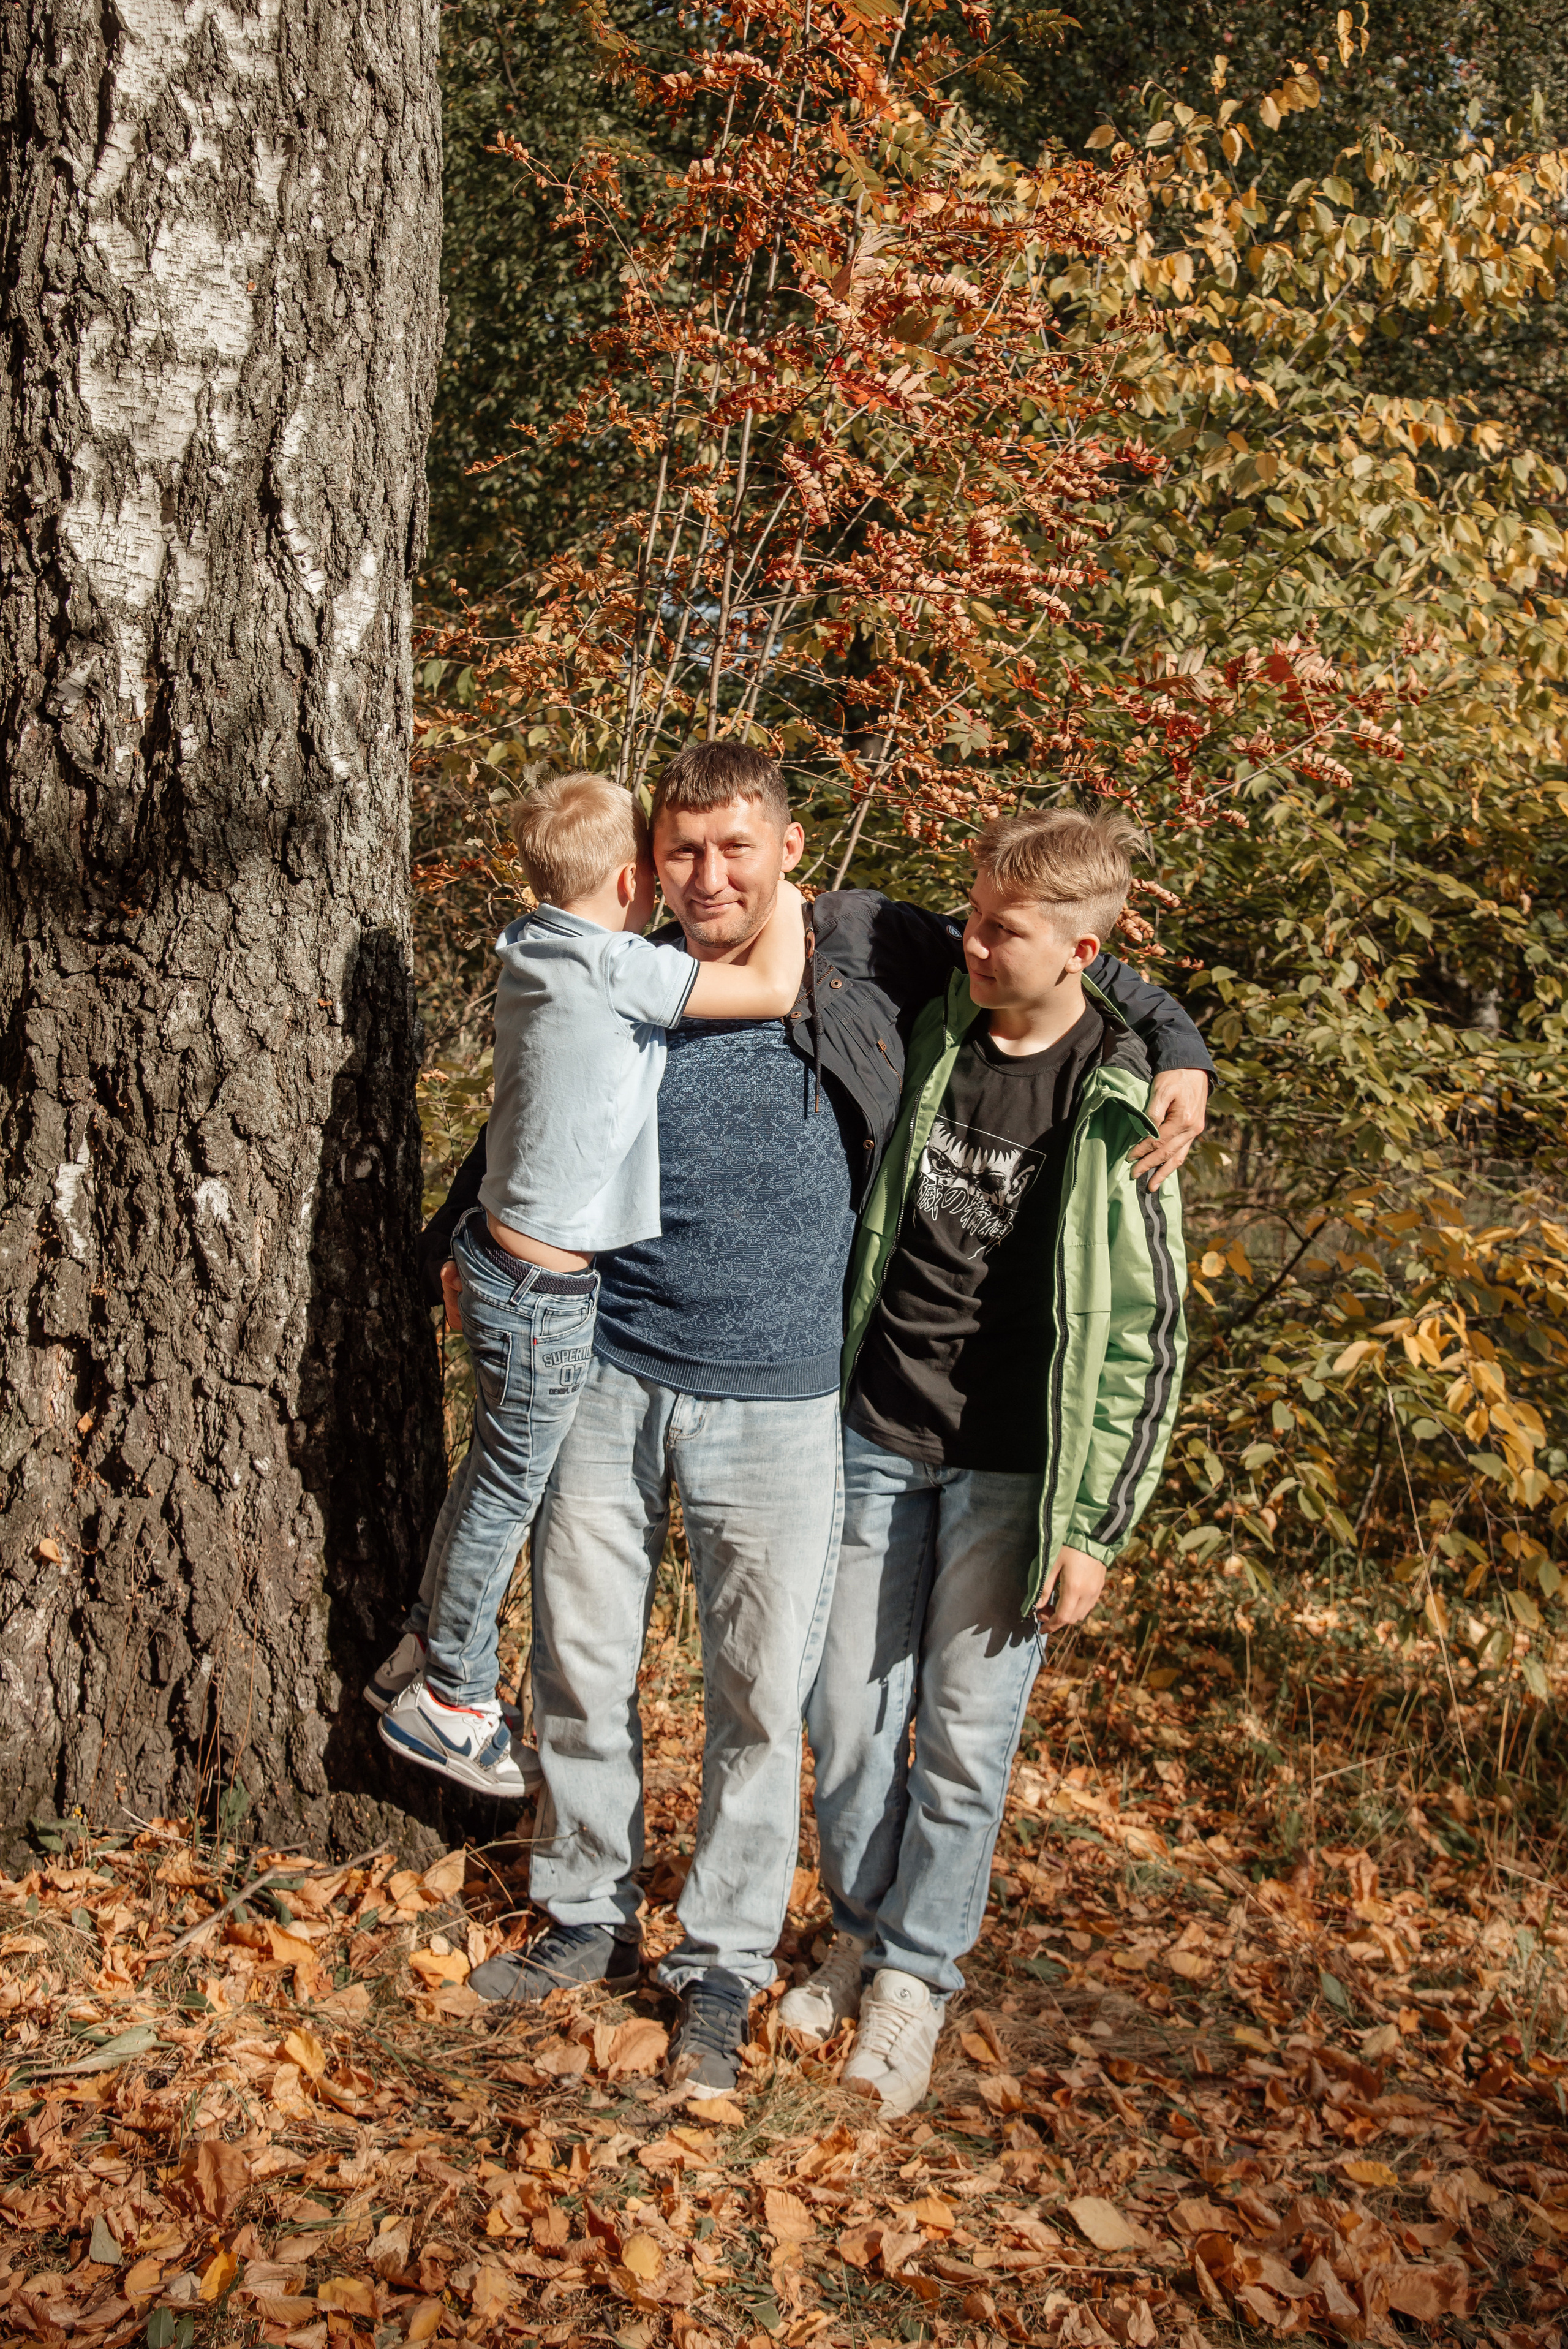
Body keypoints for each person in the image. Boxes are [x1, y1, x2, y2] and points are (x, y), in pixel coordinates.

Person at [414, 744, 1213, 2103]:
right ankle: (582, 1912)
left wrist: (1179, 1045)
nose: (707, 875)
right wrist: (458, 1237)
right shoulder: (621, 963)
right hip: (609, 1368)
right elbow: (528, 1113)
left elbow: (1071, 954)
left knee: (758, 1702)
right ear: (647, 861)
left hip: (786, 1404)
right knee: (581, 1666)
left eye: (735, 847)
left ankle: (719, 1964)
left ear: (790, 847)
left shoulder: (872, 945)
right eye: (682, 851)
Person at [778, 805, 1186, 2114]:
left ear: (1079, 950)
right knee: (843, 1717)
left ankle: (912, 1982)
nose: (971, 940)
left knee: (964, 1741)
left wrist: (1096, 1527)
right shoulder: (928, 1014)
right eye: (971, 913)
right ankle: (857, 1929)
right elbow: (828, 914)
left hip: (1014, 1474)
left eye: (1002, 929)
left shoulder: (1123, 1099)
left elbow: (1140, 1331)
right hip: (874, 1430)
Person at [369, 770, 805, 1798]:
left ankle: (424, 1643)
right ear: (627, 880)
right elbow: (774, 988)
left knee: (489, 1470)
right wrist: (781, 883)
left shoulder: (532, 948)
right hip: (544, 1291)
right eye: (659, 874)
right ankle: (454, 1695)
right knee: (511, 1484)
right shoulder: (617, 965)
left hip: (498, 1256)